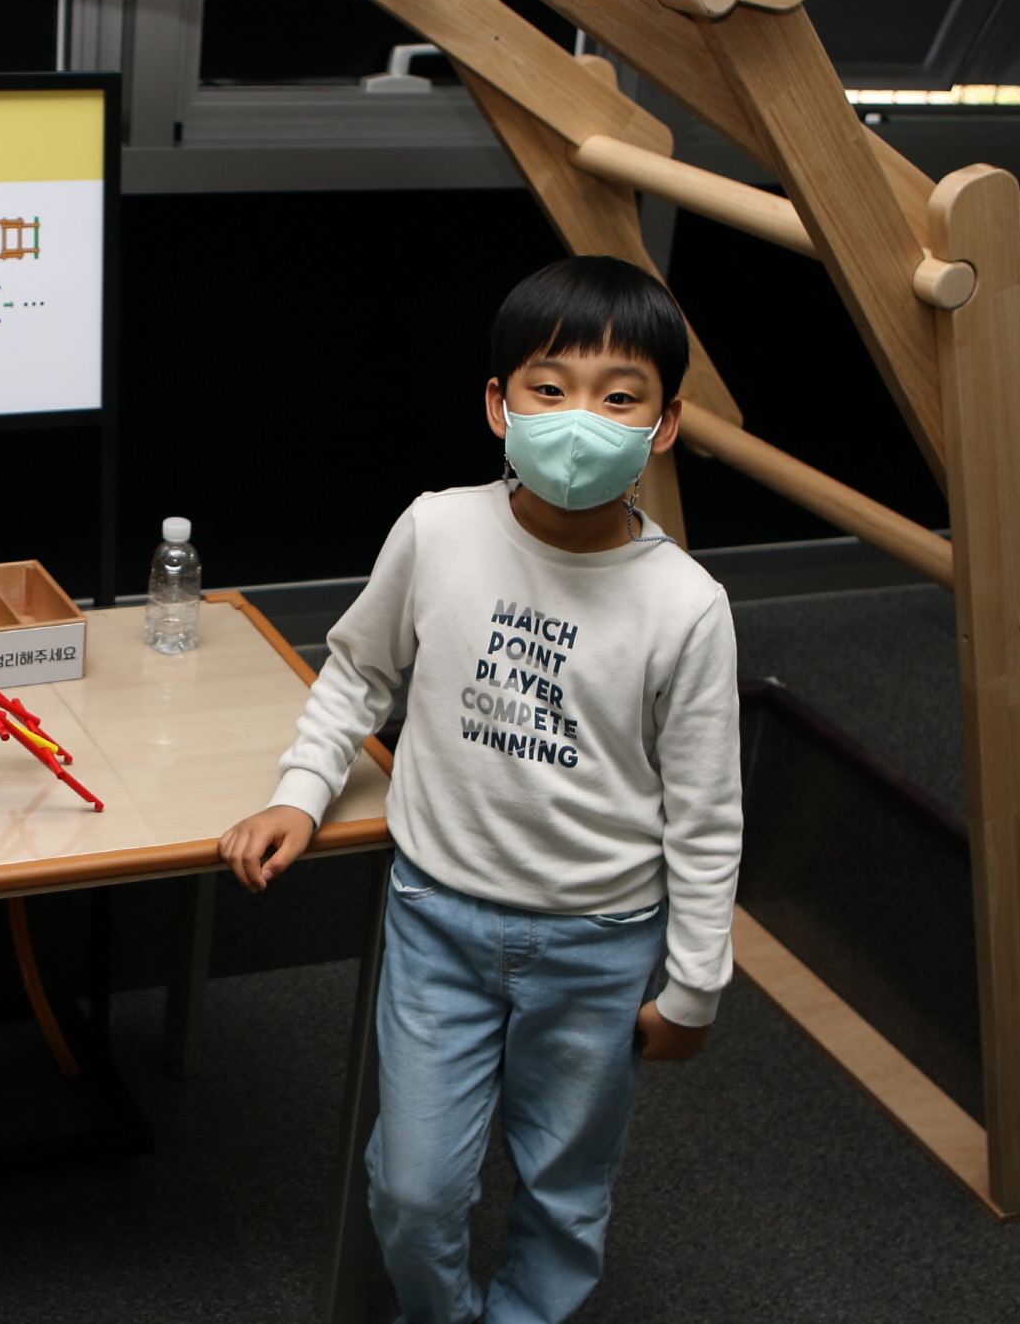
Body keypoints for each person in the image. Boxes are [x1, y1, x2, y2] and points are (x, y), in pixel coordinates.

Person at [217, 255, 741, 1324]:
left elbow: (704, 812)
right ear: (499, 405)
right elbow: (358, 673)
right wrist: (300, 791)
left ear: (665, 425)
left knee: (563, 1190)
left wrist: (694, 985)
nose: (580, 420)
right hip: (437, 920)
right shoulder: (437, 529)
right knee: (413, 1192)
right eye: (550, 389)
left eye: (619, 397)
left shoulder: (687, 605)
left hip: (597, 944)